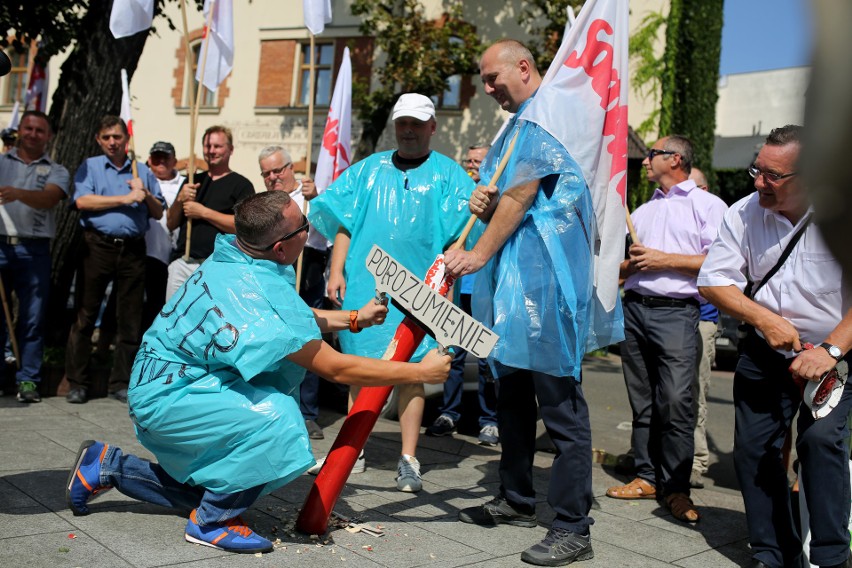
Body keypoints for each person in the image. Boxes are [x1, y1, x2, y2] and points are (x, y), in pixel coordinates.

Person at [65, 190, 452, 554]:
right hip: (170, 398)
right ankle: (211, 522)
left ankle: (108, 466)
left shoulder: (238, 255)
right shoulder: (252, 288)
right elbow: (335, 367)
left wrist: (354, 319)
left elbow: (290, 318)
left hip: (166, 383)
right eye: (304, 226)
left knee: (224, 480)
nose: (310, 231)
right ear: (282, 247)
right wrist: (419, 370)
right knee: (278, 422)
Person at [443, 39, 606, 566]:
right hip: (516, 286)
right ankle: (515, 496)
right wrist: (480, 204)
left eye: (493, 78)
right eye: (484, 80)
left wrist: (476, 251)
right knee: (511, 396)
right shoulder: (516, 125)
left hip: (546, 285)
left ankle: (572, 525)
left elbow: (523, 195)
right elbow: (502, 193)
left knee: (559, 405)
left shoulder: (547, 115)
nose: (488, 89)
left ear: (524, 66)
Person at [699, 125, 852, 568]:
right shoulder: (744, 212)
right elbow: (713, 279)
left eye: (773, 176)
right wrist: (764, 319)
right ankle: (773, 552)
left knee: (821, 443)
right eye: (757, 170)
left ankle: (829, 556)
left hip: (833, 356)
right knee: (755, 451)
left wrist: (829, 352)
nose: (758, 182)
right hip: (767, 352)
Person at [308, 93, 474, 492]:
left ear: (432, 126)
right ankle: (352, 452)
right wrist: (335, 270)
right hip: (367, 287)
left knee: (412, 374)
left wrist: (446, 294)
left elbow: (460, 239)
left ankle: (408, 458)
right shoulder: (367, 171)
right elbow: (344, 222)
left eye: (417, 123)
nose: (409, 131)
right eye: (403, 123)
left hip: (421, 292)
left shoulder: (448, 175)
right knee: (357, 371)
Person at [605, 136, 727, 524]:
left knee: (675, 400)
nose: (645, 161)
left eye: (652, 154)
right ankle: (646, 475)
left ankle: (676, 487)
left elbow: (719, 263)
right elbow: (624, 267)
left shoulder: (707, 206)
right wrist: (630, 267)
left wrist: (661, 260)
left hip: (677, 312)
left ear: (674, 159)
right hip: (636, 309)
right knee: (642, 401)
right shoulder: (641, 211)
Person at [65, 116, 165, 404]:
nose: (112, 142)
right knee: (85, 315)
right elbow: (83, 202)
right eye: (106, 137)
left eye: (117, 137)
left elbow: (158, 213)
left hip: (133, 249)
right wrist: (125, 198)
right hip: (97, 247)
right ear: (99, 139)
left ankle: (120, 382)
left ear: (126, 139)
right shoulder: (90, 167)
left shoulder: (142, 171)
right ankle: (77, 383)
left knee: (130, 318)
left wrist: (144, 194)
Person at [425, 143, 499, 446]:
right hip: (457, 290)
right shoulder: (457, 200)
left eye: (478, 161)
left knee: (485, 358)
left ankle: (490, 421)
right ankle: (449, 413)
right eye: (468, 161)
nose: (472, 166)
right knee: (453, 354)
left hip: (484, 290)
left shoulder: (495, 200)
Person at [258, 145, 329, 440]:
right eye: (267, 173)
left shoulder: (312, 196)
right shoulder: (263, 202)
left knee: (309, 342)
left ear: (291, 168)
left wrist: (318, 201)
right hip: (273, 273)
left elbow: (331, 231)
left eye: (278, 170)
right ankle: (274, 408)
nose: (273, 177)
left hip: (307, 270)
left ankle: (308, 413)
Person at [0, 110, 69, 402]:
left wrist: (17, 193)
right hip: (0, 245)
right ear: (19, 130)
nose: (32, 134)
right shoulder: (0, 163)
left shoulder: (57, 170)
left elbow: (50, 197)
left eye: (40, 130)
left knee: (32, 317)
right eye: (28, 128)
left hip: (35, 248)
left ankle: (28, 379)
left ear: (48, 136)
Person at [166, 125, 254, 299]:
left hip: (217, 264)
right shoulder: (192, 181)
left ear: (230, 150)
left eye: (217, 146)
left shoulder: (241, 185)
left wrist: (203, 212)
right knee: (172, 320)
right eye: (207, 146)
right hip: (183, 261)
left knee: (208, 320)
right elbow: (170, 223)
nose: (211, 151)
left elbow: (243, 227)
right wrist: (179, 200)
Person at [685, 166, 719, 490]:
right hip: (673, 318)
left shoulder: (713, 215)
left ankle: (696, 461)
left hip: (703, 319)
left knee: (695, 392)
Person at [142, 141, 185, 330]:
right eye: (156, 157)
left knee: (159, 304)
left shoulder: (184, 183)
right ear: (149, 160)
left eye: (165, 157)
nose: (160, 162)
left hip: (171, 255)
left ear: (174, 160)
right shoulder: (142, 180)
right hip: (142, 252)